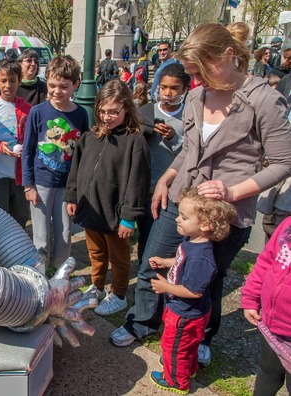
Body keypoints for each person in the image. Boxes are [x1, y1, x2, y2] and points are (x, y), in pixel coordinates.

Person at [111, 22, 291, 368]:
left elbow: (283, 162)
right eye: (194, 75)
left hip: (226, 212)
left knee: (208, 279)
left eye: (202, 71)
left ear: (227, 55)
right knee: (153, 262)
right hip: (181, 199)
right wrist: (167, 176)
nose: (199, 81)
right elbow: (190, 149)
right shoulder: (196, 96)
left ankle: (203, 335)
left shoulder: (264, 99)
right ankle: (142, 322)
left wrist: (232, 190)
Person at [64, 79, 150, 316]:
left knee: (119, 258)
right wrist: (72, 196)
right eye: (102, 111)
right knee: (96, 254)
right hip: (91, 209)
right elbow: (76, 169)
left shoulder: (135, 142)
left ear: (127, 110)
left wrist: (128, 216)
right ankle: (97, 286)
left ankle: (119, 294)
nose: (107, 117)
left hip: (115, 214)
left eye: (114, 112)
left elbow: (137, 182)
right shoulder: (90, 137)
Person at [149, 187, 237, 395]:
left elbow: (194, 291)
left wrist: (166, 287)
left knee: (174, 347)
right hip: (185, 312)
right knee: (186, 347)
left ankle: (176, 381)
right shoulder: (192, 241)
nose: (178, 219)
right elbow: (182, 262)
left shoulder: (202, 258)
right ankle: (187, 369)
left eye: (184, 217)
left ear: (205, 225)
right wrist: (166, 261)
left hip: (185, 315)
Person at [21, 55, 89, 269]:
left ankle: (61, 276)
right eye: (52, 85)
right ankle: (39, 275)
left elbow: (82, 154)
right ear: (46, 81)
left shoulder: (81, 114)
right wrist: (28, 185)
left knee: (65, 234)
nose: (57, 91)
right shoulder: (37, 112)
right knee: (40, 236)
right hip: (41, 184)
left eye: (64, 86)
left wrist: (77, 189)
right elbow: (28, 151)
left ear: (75, 85)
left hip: (67, 186)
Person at [137, 64, 190, 263]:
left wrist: (174, 137)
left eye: (174, 88)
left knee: (162, 240)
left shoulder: (188, 116)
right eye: (164, 87)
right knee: (144, 235)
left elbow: (191, 152)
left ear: (185, 90)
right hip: (145, 185)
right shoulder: (145, 111)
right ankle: (145, 269)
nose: (168, 93)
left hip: (171, 188)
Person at [0, 59, 32, 228]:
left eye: (12, 80)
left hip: (20, 175)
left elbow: (33, 139)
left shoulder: (28, 109)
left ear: (19, 81)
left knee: (21, 217)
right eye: (3, 80)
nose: (8, 85)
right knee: (0, 217)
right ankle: (1, 252)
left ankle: (18, 251)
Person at [241, 216, 291, 396]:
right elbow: (266, 261)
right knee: (268, 371)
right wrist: (251, 297)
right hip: (271, 323)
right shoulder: (287, 224)